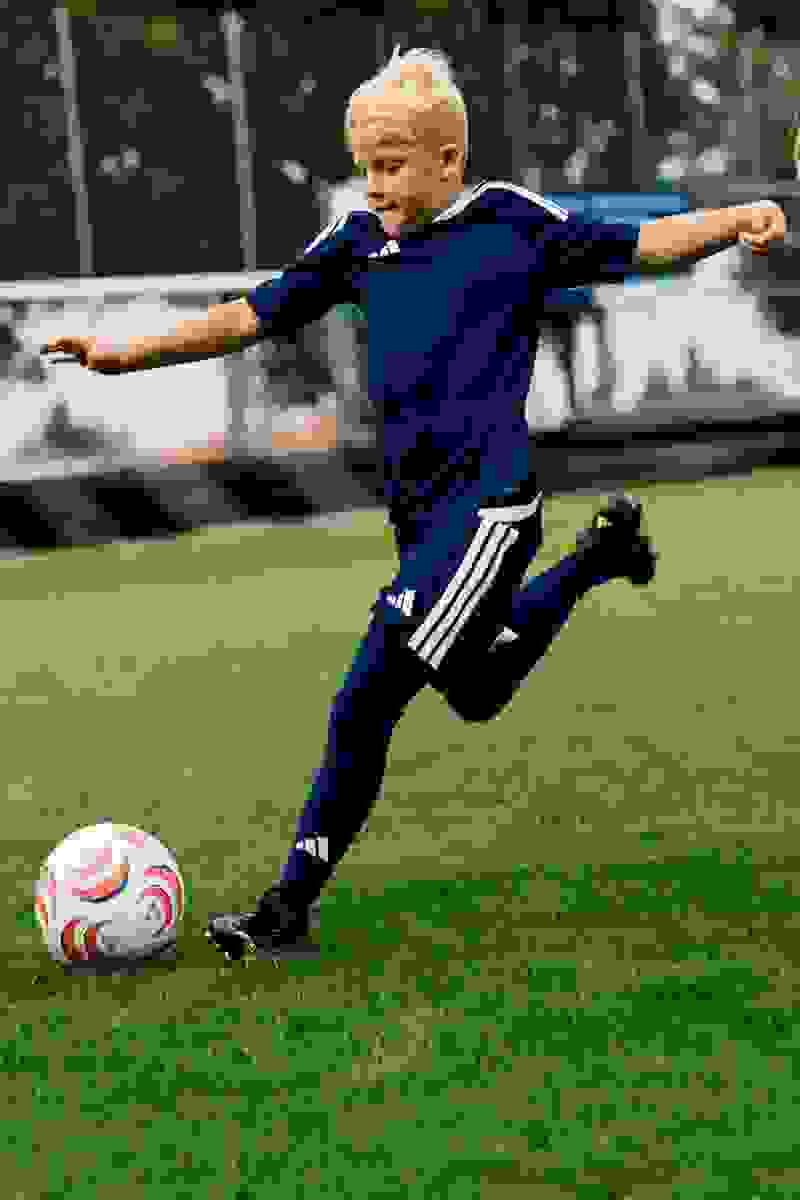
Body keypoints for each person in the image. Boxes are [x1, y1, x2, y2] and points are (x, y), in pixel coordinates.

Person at [45, 48, 787, 961]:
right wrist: (127, 354)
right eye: (366, 166)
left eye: (391, 165)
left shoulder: (510, 224)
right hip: (422, 520)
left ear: (448, 160)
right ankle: (601, 554)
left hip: (490, 511)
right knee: (474, 689)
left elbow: (642, 246)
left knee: (367, 695)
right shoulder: (359, 242)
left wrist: (734, 219)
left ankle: (286, 911)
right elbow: (246, 314)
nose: (375, 184)